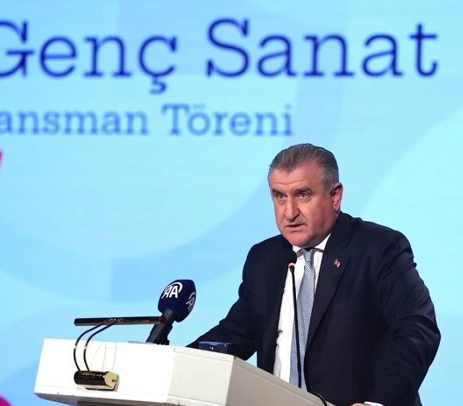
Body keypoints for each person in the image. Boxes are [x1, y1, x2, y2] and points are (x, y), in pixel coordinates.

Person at [188, 143, 440, 406]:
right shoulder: (265, 258)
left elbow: (417, 330)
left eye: (303, 195)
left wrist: (378, 404)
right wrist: (171, 363)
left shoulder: (378, 249)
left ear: (335, 196)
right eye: (279, 196)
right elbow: (234, 335)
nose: (289, 212)